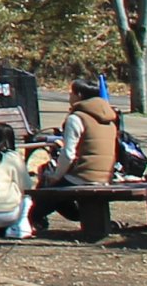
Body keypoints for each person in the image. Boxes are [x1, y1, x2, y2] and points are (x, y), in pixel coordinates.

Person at [29, 75, 127, 234]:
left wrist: (56, 176)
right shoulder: (110, 118)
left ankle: (34, 220)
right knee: (60, 195)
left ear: (79, 95)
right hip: (105, 176)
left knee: (47, 191)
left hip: (83, 175)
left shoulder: (76, 118)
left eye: (71, 93)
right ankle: (91, 219)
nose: (69, 96)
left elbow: (68, 154)